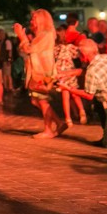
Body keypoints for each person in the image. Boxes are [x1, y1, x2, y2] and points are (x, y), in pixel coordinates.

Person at [15, 9, 67, 139]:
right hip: (38, 71)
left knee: (42, 101)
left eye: (34, 18)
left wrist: (22, 36)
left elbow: (29, 49)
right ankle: (59, 123)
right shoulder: (42, 34)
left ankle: (48, 129)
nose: (31, 21)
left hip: (42, 72)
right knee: (35, 100)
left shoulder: (46, 34)